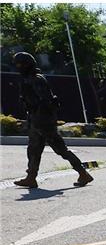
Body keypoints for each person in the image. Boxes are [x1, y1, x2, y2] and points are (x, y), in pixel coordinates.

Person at [11, 52, 93, 189]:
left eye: (20, 65)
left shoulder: (37, 80)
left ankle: (83, 173)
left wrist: (41, 119)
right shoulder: (29, 79)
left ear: (27, 65)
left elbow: (46, 101)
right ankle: (31, 177)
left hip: (43, 121)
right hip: (35, 120)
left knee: (61, 150)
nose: (18, 67)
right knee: (33, 150)